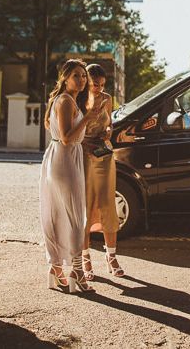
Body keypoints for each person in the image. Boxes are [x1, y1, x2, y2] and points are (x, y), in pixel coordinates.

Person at [40, 59, 107, 294]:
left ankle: (56, 269)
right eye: (76, 75)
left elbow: (58, 131)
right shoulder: (66, 101)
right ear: (65, 78)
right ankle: (77, 271)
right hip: (65, 159)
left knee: (58, 215)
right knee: (76, 217)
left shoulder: (64, 100)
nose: (81, 80)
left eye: (83, 76)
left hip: (63, 156)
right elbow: (67, 137)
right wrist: (88, 118)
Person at [81, 63, 125, 280]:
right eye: (95, 84)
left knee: (108, 204)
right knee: (86, 206)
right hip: (83, 154)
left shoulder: (107, 99)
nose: (98, 88)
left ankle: (112, 256)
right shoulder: (78, 100)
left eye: (101, 84)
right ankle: (85, 258)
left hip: (104, 154)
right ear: (87, 81)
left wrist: (109, 130)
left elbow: (110, 123)